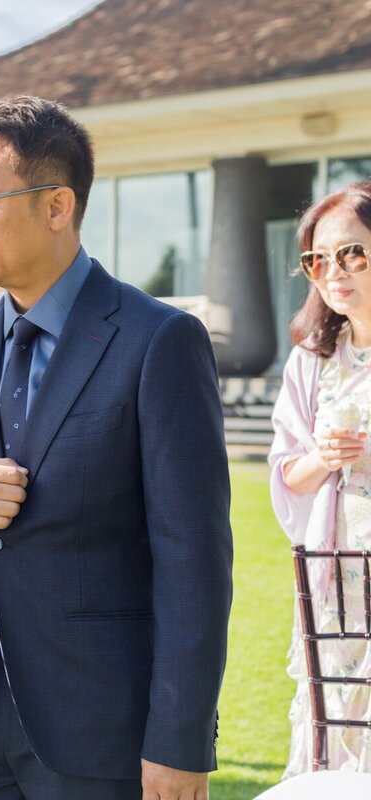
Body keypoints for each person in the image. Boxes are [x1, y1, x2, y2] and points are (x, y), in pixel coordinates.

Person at [0, 96, 233, 800]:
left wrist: (180, 742)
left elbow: (194, 561)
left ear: (57, 206)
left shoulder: (158, 342)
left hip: (100, 727)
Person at [269, 180, 371, 777]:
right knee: (336, 722)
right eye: (318, 258)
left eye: (353, 252)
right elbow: (290, 475)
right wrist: (330, 456)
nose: (335, 270)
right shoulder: (312, 360)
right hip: (336, 584)